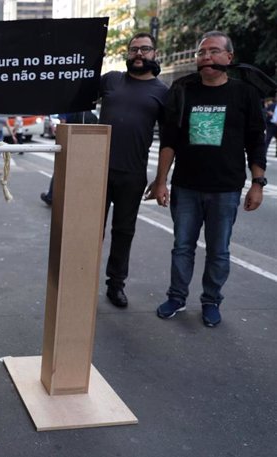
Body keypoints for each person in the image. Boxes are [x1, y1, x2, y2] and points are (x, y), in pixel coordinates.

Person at [151, 31, 267, 327]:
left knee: (219, 250)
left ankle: (211, 300)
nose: (206, 58)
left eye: (214, 52)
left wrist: (258, 183)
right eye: (201, 53)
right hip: (186, 186)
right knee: (182, 246)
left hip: (225, 189)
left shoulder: (244, 93)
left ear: (229, 57)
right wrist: (161, 180)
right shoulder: (183, 89)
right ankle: (176, 297)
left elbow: (256, 140)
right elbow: (170, 139)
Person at [98, 32, 168, 308]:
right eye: (133, 49)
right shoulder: (111, 80)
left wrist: (161, 180)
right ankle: (81, 279)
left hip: (133, 174)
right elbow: (77, 92)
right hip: (97, 171)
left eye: (145, 49)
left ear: (154, 53)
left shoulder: (163, 92)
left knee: (124, 231)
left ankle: (116, 285)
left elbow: (169, 140)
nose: (138, 54)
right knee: (90, 231)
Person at [39, 111, 100, 207]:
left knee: (60, 170)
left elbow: (63, 124)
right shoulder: (91, 115)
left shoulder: (67, 109)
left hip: (71, 144)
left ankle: (51, 196)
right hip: (87, 148)